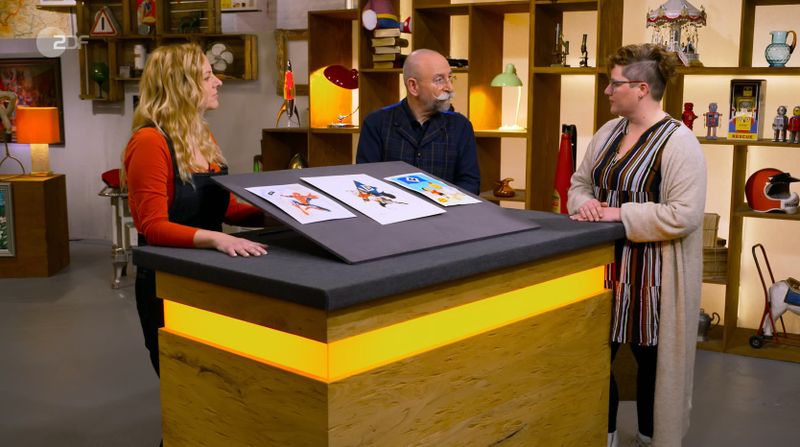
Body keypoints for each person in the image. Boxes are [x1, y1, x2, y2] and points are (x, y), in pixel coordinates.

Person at [567, 44, 706, 447]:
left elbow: (684, 214)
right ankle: (603, 434)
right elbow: (579, 184)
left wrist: (617, 214)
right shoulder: (608, 132)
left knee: (653, 364)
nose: (607, 91)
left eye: (615, 84)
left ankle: (651, 436)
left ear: (642, 88)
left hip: (655, 273)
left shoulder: (679, 142)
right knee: (596, 355)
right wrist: (585, 203)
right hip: (602, 268)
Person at [123, 43, 268, 375]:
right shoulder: (149, 142)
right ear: (180, 85)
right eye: (206, 76)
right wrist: (219, 239)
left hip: (208, 274)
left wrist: (280, 215)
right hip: (168, 280)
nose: (218, 82)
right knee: (183, 377)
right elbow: (153, 227)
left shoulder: (202, 135)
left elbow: (225, 209)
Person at [356, 49, 480, 194]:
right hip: (394, 207)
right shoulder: (376, 123)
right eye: (439, 80)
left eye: (450, 78)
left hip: (446, 207)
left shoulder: (460, 126)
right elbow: (366, 182)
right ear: (413, 86)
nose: (449, 87)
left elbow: (470, 184)